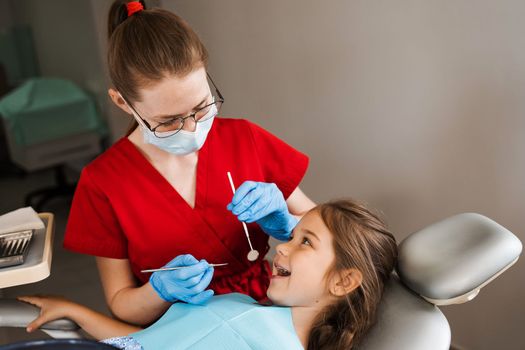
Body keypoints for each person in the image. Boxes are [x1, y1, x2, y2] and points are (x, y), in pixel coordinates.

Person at [62, 0, 315, 326]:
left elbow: (325, 229)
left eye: (201, 107)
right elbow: (120, 303)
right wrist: (160, 291)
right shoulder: (103, 183)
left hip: (266, 311)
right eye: (168, 121)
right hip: (179, 331)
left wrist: (287, 224)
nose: (193, 129)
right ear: (123, 102)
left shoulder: (245, 138)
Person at [20, 199, 398, 350]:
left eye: (305, 242)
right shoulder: (237, 301)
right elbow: (145, 341)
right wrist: (73, 309)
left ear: (343, 281)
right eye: (292, 236)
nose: (281, 245)